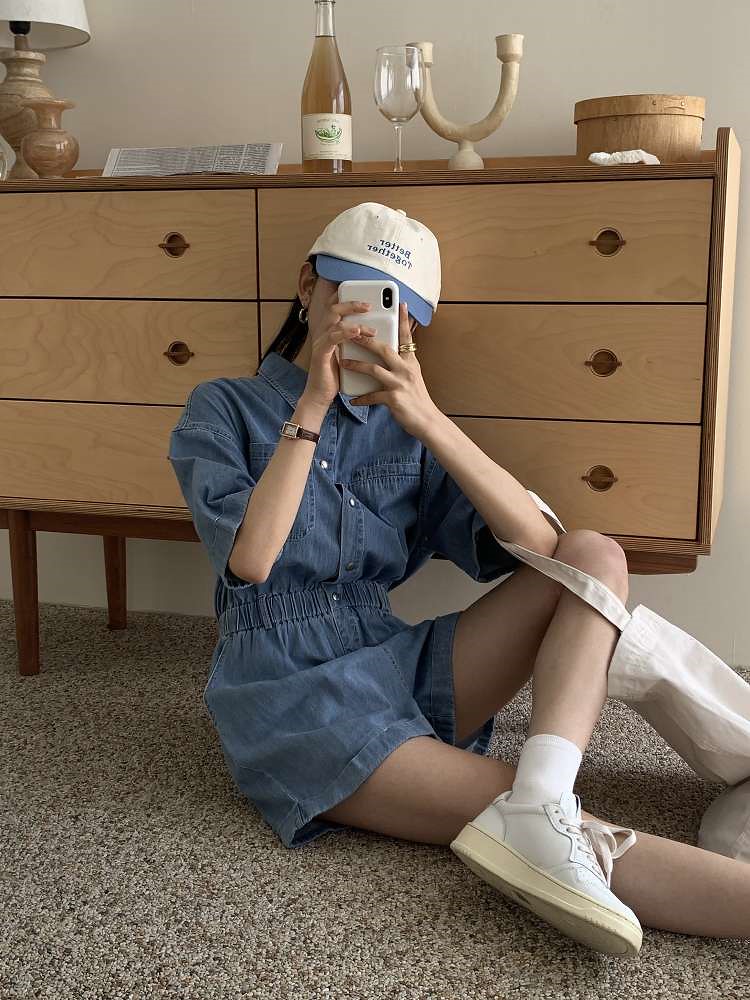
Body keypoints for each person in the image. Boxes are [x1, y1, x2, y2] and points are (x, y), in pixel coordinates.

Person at [168, 202, 750, 957]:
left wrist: (429, 420)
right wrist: (312, 404)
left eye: (395, 314)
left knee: (594, 556)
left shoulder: (403, 430)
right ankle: (546, 815)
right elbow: (252, 561)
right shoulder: (224, 408)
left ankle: (544, 791)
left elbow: (545, 551)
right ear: (308, 285)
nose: (365, 324)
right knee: (560, 833)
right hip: (294, 696)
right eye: (351, 295)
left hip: (391, 659)